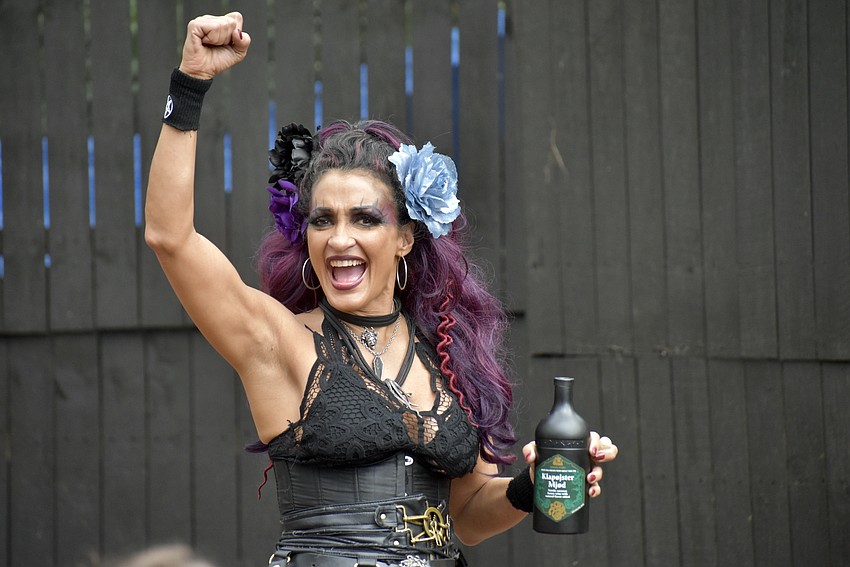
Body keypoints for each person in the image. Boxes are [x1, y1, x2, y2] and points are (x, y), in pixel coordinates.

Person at [145, 12, 618, 567]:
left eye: (364, 219)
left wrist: (529, 486)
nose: (339, 238)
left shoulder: (446, 352)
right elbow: (169, 236)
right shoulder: (278, 343)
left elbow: (466, 517)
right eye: (322, 220)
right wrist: (189, 85)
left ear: (404, 239)